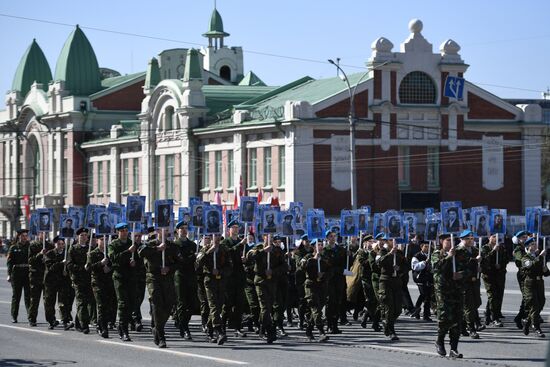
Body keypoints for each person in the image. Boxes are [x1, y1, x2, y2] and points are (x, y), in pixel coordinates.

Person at [139, 228, 179, 348]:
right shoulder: (150, 244)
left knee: (168, 305)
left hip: (167, 278)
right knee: (157, 303)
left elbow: (178, 262)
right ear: (157, 231)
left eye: (166, 230)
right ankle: (161, 335)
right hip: (153, 278)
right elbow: (141, 252)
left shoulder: (172, 246)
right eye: (162, 229)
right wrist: (157, 249)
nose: (164, 231)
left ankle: (157, 327)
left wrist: (169, 268)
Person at [432, 233, 468, 358]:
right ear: (441, 241)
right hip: (443, 291)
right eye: (448, 240)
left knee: (457, 320)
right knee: (445, 318)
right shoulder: (437, 254)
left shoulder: (460, 254)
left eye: (453, 240)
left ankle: (454, 348)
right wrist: (448, 256)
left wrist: (461, 274)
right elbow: (436, 267)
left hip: (457, 290)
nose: (451, 242)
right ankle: (439, 341)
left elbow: (469, 269)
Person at [196, 233, 232, 344]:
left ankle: (209, 328)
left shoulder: (224, 249)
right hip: (209, 280)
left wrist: (220, 271)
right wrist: (208, 252)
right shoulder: (205, 249)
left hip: (221, 281)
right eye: (214, 236)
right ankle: (219, 330)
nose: (216, 238)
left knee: (219, 306)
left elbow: (229, 267)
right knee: (213, 306)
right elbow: (197, 264)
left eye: (218, 236)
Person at [108, 222, 138, 341]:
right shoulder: (113, 245)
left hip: (131, 277)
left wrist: (134, 263)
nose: (124, 233)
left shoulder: (132, 244)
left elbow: (139, 259)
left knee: (131, 303)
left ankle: (125, 324)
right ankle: (123, 329)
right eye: (122, 231)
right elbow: (113, 259)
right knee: (123, 304)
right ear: (117, 232)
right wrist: (127, 252)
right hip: (119, 277)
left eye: (126, 230)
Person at [221, 220, 248, 337]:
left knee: (239, 304)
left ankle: (238, 327)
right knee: (228, 303)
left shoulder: (242, 242)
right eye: (234, 227)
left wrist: (245, 259)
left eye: (237, 227)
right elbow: (228, 253)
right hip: (229, 277)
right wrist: (240, 245)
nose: (236, 230)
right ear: (229, 230)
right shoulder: (226, 242)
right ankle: (222, 327)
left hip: (239, 275)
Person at [376, 234, 406, 341]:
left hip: (396, 282)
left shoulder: (399, 253)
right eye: (389, 240)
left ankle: (387, 322)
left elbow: (405, 266)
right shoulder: (382, 252)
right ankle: (392, 331)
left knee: (398, 309)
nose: (392, 242)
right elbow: (379, 263)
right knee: (389, 307)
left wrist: (399, 268)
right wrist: (390, 254)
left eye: (394, 240)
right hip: (385, 281)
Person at [173, 220, 199, 339]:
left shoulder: (193, 245)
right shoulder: (175, 245)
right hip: (180, 277)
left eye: (185, 228)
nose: (184, 230)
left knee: (192, 304)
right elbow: (181, 261)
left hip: (191, 277)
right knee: (182, 303)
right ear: (177, 231)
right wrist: (193, 256)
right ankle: (184, 328)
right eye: (181, 228)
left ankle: (182, 322)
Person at [87, 236, 116, 338]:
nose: (104, 241)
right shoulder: (92, 253)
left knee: (108, 305)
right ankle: (102, 327)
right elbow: (89, 268)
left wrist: (110, 268)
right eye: (102, 239)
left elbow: (115, 264)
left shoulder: (109, 252)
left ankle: (104, 323)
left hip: (109, 282)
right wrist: (101, 263)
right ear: (97, 241)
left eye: (106, 239)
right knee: (101, 305)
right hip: (98, 282)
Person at [67, 228, 94, 334]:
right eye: (81, 235)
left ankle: (78, 322)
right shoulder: (73, 249)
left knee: (86, 302)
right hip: (78, 279)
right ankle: (84, 324)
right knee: (81, 302)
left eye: (85, 235)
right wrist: (82, 268)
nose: (84, 237)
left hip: (88, 279)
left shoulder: (90, 249)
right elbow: (69, 265)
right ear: (77, 237)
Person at [521, 237, 550, 337]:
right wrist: (540, 257)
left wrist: (545, 270)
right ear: (528, 246)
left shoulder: (539, 257)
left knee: (541, 303)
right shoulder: (525, 257)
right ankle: (536, 327)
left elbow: (546, 273)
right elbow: (530, 266)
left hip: (539, 283)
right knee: (534, 306)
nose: (535, 245)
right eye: (532, 244)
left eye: (535, 243)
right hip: (530, 283)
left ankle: (527, 321)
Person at [302, 238, 329, 342]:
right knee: (315, 308)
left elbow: (330, 271)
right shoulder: (308, 257)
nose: (321, 247)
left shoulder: (324, 258)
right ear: (314, 247)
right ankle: (321, 331)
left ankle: (309, 328)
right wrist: (313, 259)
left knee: (319, 308)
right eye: (319, 245)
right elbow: (302, 266)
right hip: (311, 285)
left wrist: (323, 275)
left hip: (321, 286)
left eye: (322, 245)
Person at [43, 236, 73, 330]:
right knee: (49, 302)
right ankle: (51, 321)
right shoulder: (49, 254)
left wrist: (66, 270)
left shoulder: (66, 254)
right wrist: (61, 263)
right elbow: (50, 267)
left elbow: (70, 266)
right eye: (59, 244)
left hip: (62, 281)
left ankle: (65, 321)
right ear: (55, 244)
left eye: (62, 244)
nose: (61, 246)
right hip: (51, 282)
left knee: (63, 302)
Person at [481, 234, 508, 327]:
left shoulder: (501, 247)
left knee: (497, 295)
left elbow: (506, 259)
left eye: (497, 237)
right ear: (489, 237)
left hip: (499, 275)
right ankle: (494, 318)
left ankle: (488, 314)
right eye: (493, 236)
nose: (495, 238)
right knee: (492, 296)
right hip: (489, 275)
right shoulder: (485, 248)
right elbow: (484, 260)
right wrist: (493, 251)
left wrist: (500, 265)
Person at [28, 232, 54, 326]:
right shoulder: (33, 245)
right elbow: (30, 260)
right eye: (42, 233)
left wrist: (46, 259)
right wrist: (39, 254)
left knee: (48, 300)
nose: (44, 234)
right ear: (38, 234)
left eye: (46, 232)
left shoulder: (50, 246)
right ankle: (32, 319)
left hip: (47, 276)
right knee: (35, 299)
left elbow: (53, 259)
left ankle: (51, 320)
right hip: (36, 276)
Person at [6, 229, 31, 324]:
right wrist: (9, 274)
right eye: (23, 236)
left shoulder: (30, 247)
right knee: (16, 296)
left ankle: (30, 316)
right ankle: (14, 316)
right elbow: (9, 262)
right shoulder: (13, 247)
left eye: (26, 236)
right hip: (16, 274)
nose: (25, 237)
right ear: (19, 236)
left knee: (28, 296)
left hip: (27, 273)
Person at [411, 241, 433, 321]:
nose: (427, 248)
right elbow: (415, 267)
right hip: (420, 278)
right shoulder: (417, 256)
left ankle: (420, 312)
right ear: (421, 247)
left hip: (429, 278)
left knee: (426, 296)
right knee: (424, 295)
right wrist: (424, 262)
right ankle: (421, 312)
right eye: (426, 246)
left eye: (428, 246)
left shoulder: (431, 255)